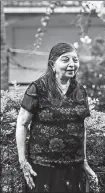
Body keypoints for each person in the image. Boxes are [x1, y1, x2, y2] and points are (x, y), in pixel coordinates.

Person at [16, 42, 98, 192]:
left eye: (75, 60)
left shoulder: (80, 91)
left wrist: (84, 162)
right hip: (42, 167)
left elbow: (82, 127)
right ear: (52, 64)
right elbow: (22, 124)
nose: (72, 64)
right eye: (66, 60)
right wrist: (23, 162)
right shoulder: (38, 88)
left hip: (74, 167)